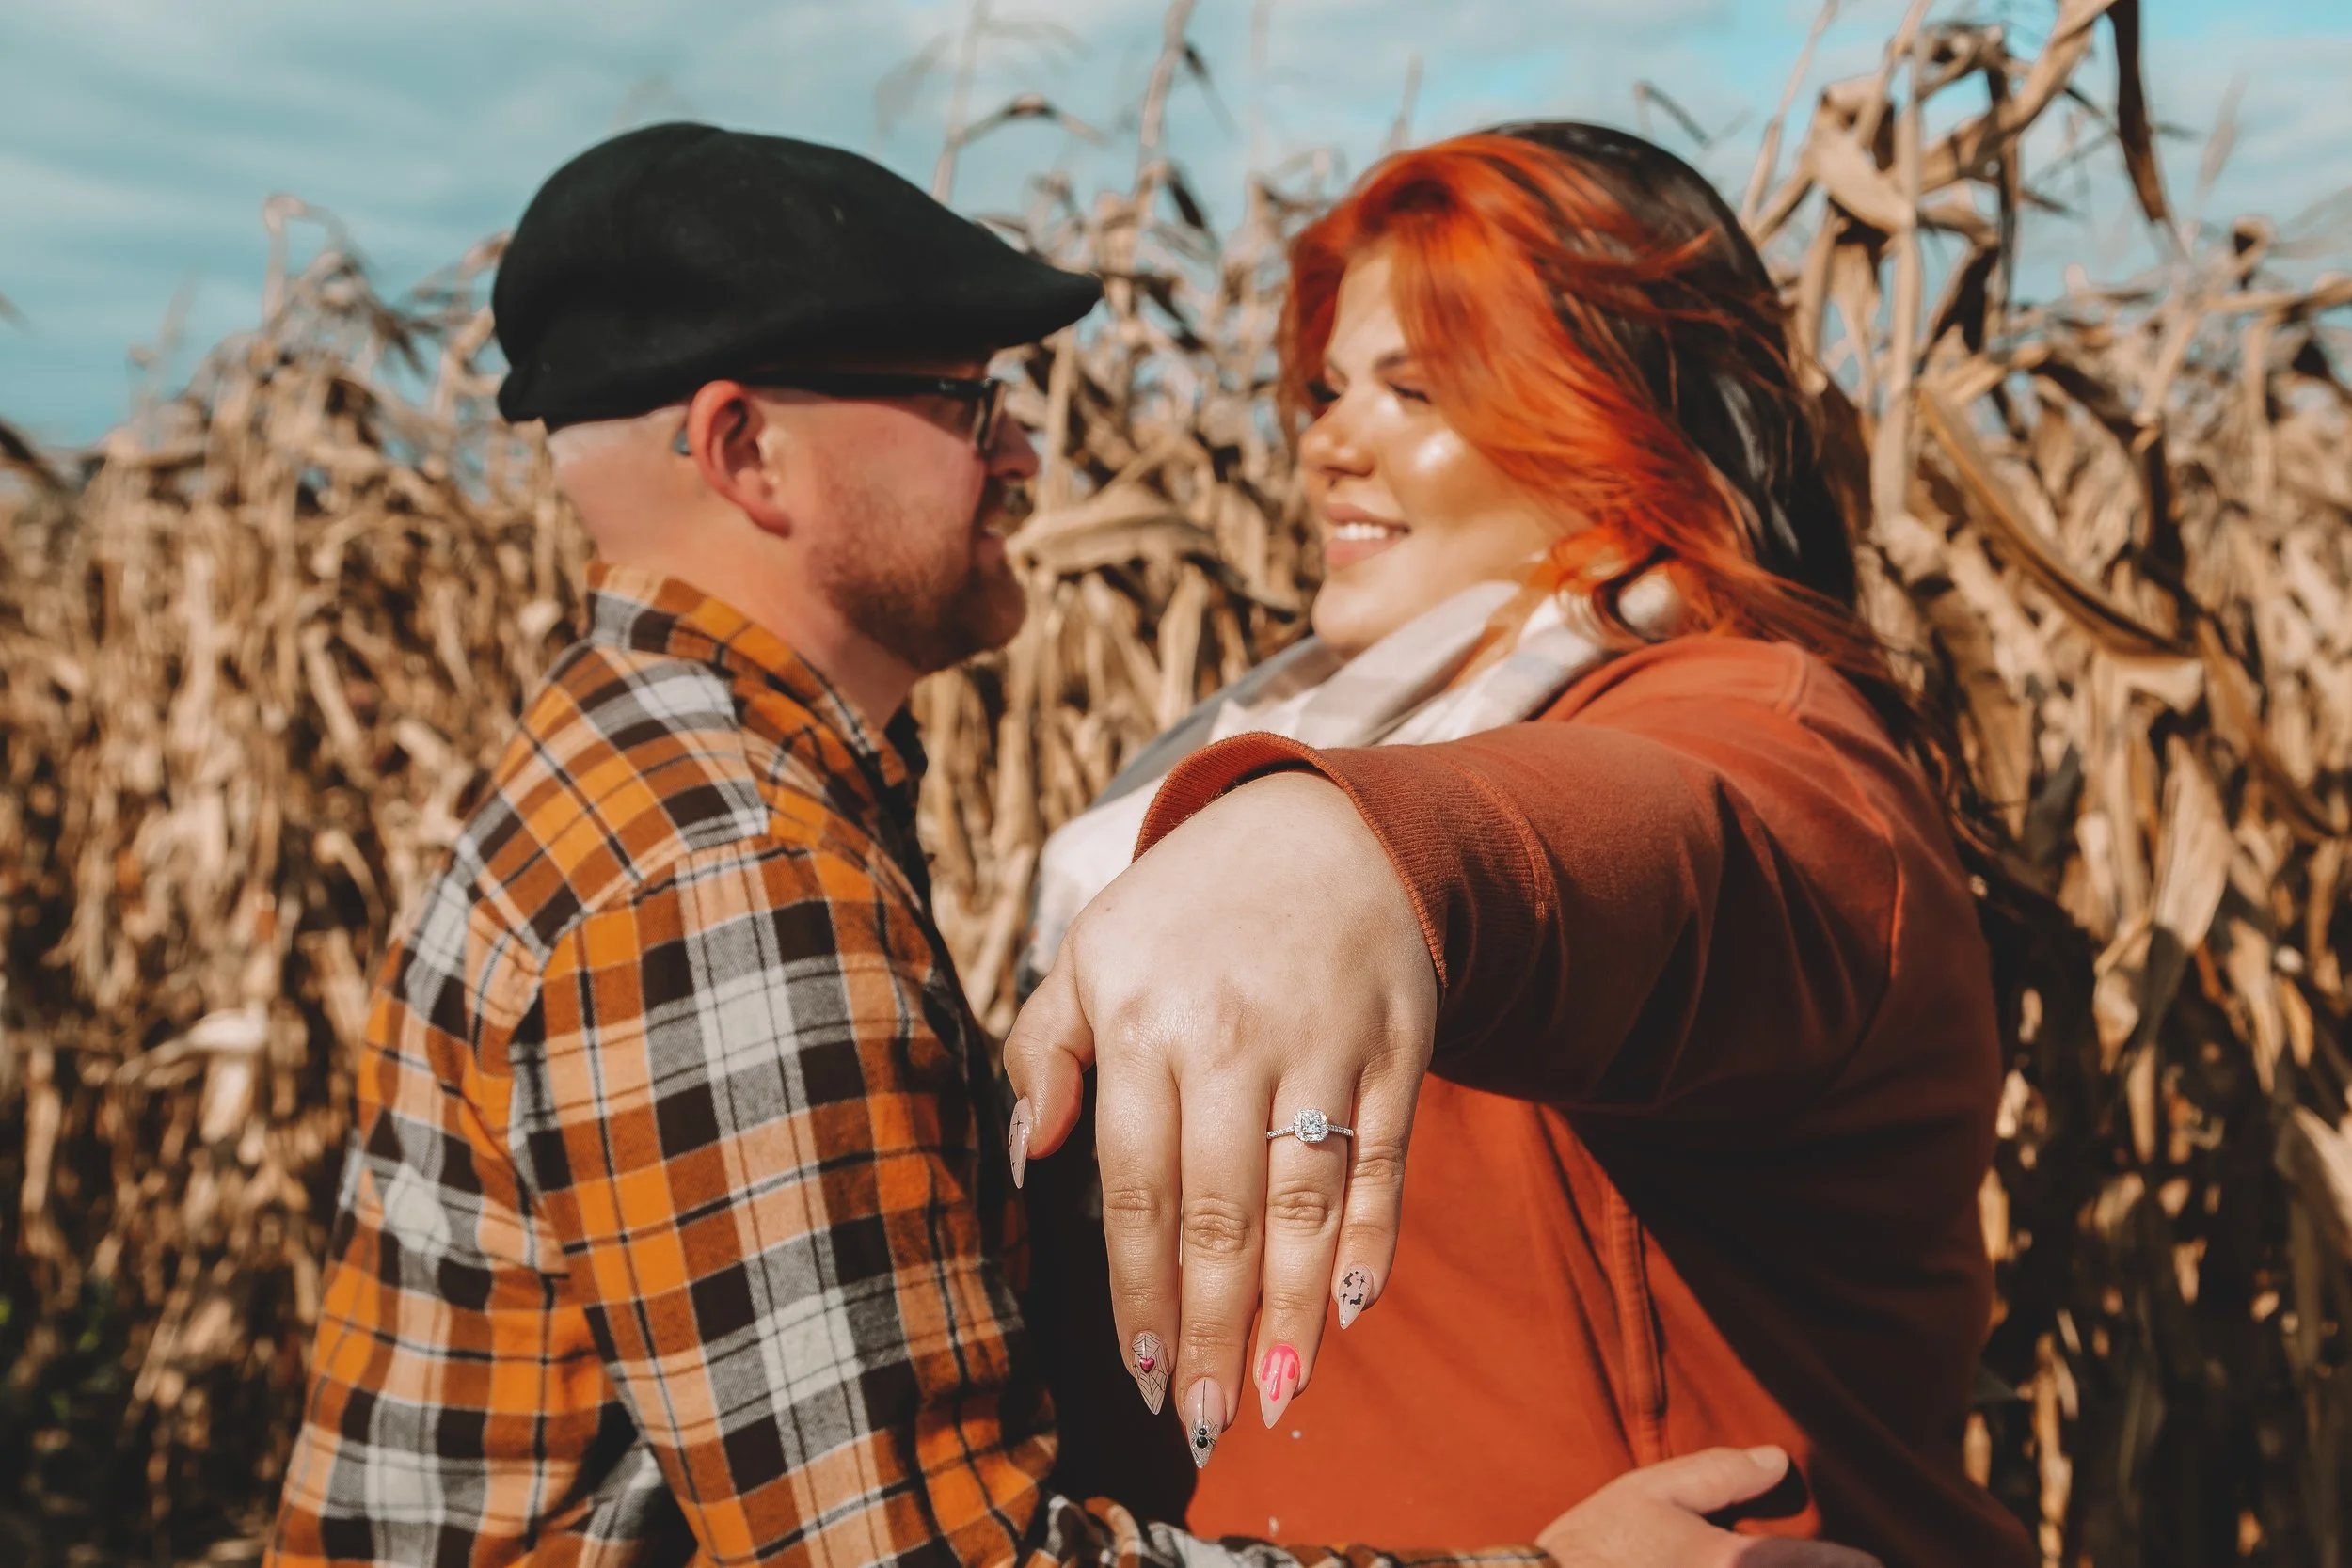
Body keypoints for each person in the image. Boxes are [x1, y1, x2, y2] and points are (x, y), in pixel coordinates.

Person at [263, 122, 1870, 1568]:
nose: (1026, 454)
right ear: (747, 451)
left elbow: (1691, 825)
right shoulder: (725, 865)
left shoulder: (654, 780)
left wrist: (1357, 842)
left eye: (1419, 386)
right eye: (969, 403)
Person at [1009, 123, 2036, 1568]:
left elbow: (1669, 845)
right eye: (1331, 387)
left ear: (1621, 421)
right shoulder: (1331, 716)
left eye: (1417, 389)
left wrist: (1358, 843)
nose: (1328, 439)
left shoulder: (1772, 732)